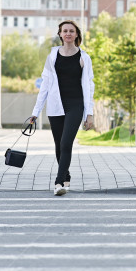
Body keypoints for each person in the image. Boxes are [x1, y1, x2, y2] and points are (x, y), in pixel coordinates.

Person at [28, 20, 94, 196]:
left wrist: (89, 113)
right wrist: (35, 112)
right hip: (56, 105)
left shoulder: (83, 58)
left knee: (66, 142)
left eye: (71, 31)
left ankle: (58, 182)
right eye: (65, 31)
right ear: (60, 34)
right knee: (59, 144)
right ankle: (66, 175)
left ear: (77, 34)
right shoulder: (52, 56)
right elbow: (45, 85)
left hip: (76, 105)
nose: (68, 33)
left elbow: (89, 85)